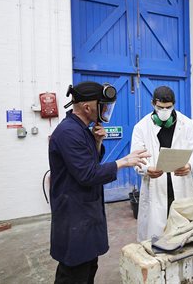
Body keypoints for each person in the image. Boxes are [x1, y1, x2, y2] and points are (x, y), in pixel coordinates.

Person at [48, 81, 150, 284]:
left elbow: (90, 162)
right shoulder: (69, 132)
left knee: (88, 268)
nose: (105, 109)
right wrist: (123, 161)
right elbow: (87, 174)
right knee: (74, 273)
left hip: (85, 212)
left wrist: (97, 142)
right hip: (74, 214)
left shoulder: (82, 129)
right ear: (87, 107)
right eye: (102, 105)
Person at [131, 86, 193, 242]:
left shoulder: (187, 124)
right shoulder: (141, 127)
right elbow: (137, 157)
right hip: (156, 184)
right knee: (156, 236)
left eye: (168, 107)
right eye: (160, 107)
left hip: (180, 182)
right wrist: (147, 168)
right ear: (152, 104)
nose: (164, 111)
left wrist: (189, 165)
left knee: (182, 232)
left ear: (174, 104)